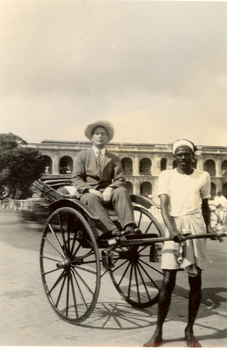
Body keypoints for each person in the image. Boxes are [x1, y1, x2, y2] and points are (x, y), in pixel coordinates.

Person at [144, 139, 211, 348]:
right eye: (179, 154)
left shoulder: (204, 176)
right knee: (168, 281)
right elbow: (164, 206)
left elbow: (205, 206)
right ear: (174, 157)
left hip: (196, 226)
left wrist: (208, 231)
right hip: (174, 224)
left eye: (187, 154)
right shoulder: (166, 175)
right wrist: (172, 231)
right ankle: (158, 331)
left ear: (193, 156)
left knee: (195, 280)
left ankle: (189, 330)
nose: (183, 157)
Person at [72, 120, 138, 237]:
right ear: (91, 138)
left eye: (103, 133)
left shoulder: (114, 158)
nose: (100, 136)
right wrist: (90, 189)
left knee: (121, 191)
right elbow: (76, 178)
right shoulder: (82, 156)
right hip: (88, 192)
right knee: (91, 197)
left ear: (107, 139)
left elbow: (120, 179)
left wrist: (110, 188)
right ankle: (111, 230)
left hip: (107, 192)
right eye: (97, 133)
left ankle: (129, 227)